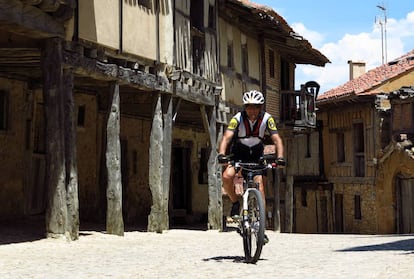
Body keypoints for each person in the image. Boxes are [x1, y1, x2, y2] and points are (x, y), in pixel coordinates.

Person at [218, 90, 285, 242]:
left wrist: (280, 158)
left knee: (260, 185)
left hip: (256, 154)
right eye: (249, 107)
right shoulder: (237, 119)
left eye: (255, 107)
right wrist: (222, 154)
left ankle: (261, 226)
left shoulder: (268, 119)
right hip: (239, 152)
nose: (252, 111)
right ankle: (236, 202)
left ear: (260, 107)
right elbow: (227, 137)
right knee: (227, 177)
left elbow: (277, 140)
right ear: (245, 107)